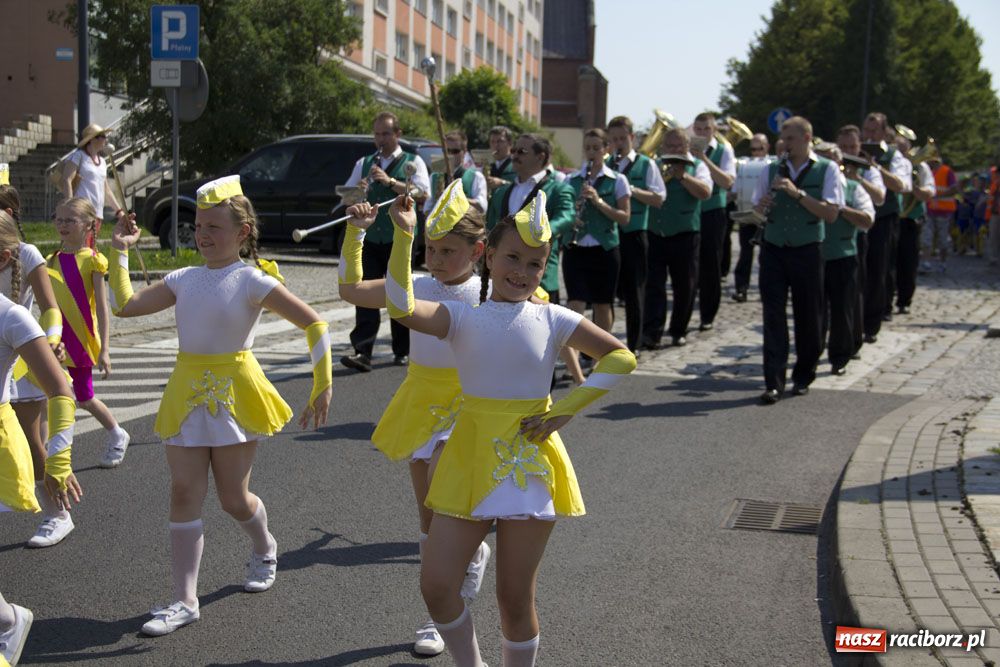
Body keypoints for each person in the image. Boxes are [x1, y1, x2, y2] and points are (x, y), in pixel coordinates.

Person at [382, 187, 635, 667]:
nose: (522, 272)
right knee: (437, 585)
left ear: (545, 270)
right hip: (469, 458)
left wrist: (568, 407)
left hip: (527, 464)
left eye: (536, 264)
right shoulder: (461, 316)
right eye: (513, 258)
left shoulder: (554, 317)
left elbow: (621, 358)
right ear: (489, 256)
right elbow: (401, 307)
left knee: (514, 599)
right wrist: (402, 236)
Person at [107, 175, 333, 636]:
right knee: (184, 492)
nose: (203, 235)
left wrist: (322, 384)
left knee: (233, 499)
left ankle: (265, 546)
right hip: (186, 391)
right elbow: (125, 306)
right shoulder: (183, 279)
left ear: (242, 232)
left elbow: (314, 324)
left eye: (214, 227)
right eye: (198, 226)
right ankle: (184, 599)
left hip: (234, 394)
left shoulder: (251, 279)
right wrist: (122, 249)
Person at [338, 180, 492, 657]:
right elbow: (348, 290)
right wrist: (356, 234)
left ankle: (438, 611)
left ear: (478, 250)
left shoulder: (489, 294)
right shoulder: (417, 285)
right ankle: (452, 582)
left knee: (443, 490)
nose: (438, 259)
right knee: (428, 517)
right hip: (422, 400)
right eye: (430, 248)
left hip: (469, 407)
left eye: (449, 250)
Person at [0, 213, 79, 666]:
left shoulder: (12, 316)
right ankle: (9, 619)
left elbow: (63, 394)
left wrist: (59, 461)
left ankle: (9, 620)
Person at [0, 183, 71, 547]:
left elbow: (51, 308)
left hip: (24, 353)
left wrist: (53, 342)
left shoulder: (27, 254)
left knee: (31, 442)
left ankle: (58, 513)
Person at [753, 116, 842, 404]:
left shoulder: (827, 170)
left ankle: (803, 375)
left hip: (807, 250)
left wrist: (798, 193)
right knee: (773, 315)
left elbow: (830, 214)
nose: (784, 144)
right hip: (774, 248)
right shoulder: (770, 170)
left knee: (809, 315)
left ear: (806, 138)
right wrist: (762, 207)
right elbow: (755, 210)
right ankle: (773, 382)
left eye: (790, 139)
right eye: (783, 139)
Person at [340, 112, 430, 373]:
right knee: (364, 290)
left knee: (399, 289)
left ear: (397, 134)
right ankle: (362, 350)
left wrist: (390, 182)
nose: (381, 139)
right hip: (371, 236)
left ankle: (402, 349)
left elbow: (422, 192)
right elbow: (346, 195)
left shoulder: (413, 162)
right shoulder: (364, 162)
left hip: (398, 236)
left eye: (386, 134)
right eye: (377, 134)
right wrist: (359, 190)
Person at [46, 197, 130, 466]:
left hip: (82, 340)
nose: (62, 224)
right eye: (59, 219)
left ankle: (118, 434)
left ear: (89, 225)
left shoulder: (93, 261)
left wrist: (105, 349)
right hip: (56, 339)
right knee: (54, 394)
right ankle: (52, 452)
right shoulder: (52, 260)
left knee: (84, 398)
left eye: (70, 220)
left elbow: (103, 309)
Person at [564, 129, 631, 365]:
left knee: (603, 303)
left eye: (596, 148)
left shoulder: (617, 180)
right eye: (588, 148)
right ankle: (573, 356)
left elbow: (624, 217)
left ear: (606, 149)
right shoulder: (571, 179)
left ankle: (598, 354)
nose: (592, 152)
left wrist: (598, 201)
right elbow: (564, 211)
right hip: (576, 247)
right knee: (575, 303)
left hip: (605, 249)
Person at [642, 128, 712, 349]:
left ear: (686, 147)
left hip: (685, 234)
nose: (673, 151)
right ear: (663, 147)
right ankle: (652, 332)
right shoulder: (653, 165)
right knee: (654, 285)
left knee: (685, 285)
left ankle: (678, 330)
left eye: (678, 147)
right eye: (669, 147)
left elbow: (705, 192)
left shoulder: (697, 166)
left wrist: (682, 175)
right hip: (656, 232)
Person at [486, 134, 576, 305]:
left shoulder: (558, 189)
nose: (515, 155)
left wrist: (537, 233)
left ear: (540, 156)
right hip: (501, 276)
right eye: (513, 150)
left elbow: (567, 216)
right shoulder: (502, 191)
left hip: (538, 277)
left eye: (522, 151)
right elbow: (490, 227)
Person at [606, 116, 666, 355]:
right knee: (607, 292)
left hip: (635, 233)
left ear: (631, 138)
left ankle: (634, 342)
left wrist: (632, 190)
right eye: (613, 140)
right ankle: (603, 343)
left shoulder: (645, 164)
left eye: (622, 138)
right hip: (609, 234)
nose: (618, 143)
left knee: (635, 291)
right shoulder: (605, 165)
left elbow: (659, 198)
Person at [815, 146, 874, 376]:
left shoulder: (853, 188)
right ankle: (812, 353)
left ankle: (839, 357)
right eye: (823, 161)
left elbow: (867, 219)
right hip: (814, 256)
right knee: (814, 311)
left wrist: (841, 208)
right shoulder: (810, 187)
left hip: (843, 255)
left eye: (831, 161)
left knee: (842, 310)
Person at [837, 125, 886, 357]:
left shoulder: (869, 169)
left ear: (859, 147)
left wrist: (857, 178)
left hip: (861, 234)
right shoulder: (831, 167)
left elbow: (880, 197)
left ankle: (855, 337)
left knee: (858, 287)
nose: (848, 151)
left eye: (852, 147)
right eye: (844, 147)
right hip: (834, 235)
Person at [861, 113, 911, 342]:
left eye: (874, 131)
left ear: (883, 133)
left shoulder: (894, 155)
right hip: (857, 216)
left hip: (883, 218)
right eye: (867, 130)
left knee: (878, 270)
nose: (869, 135)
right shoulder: (855, 149)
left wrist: (876, 168)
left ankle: (871, 323)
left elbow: (900, 185)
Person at [691, 113, 737, 332]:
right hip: (691, 212)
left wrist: (704, 159)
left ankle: (708, 314)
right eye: (697, 129)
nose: (701, 133)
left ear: (713, 130)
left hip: (713, 211)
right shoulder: (687, 148)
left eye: (705, 130)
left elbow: (727, 182)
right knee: (691, 264)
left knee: (711, 264)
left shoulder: (723, 150)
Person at [59, 123, 128, 234]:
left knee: (91, 249)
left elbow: (107, 190)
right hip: (81, 213)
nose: (106, 139)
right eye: (103, 136)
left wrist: (119, 212)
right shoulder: (79, 156)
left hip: (97, 214)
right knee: (80, 249)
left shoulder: (103, 162)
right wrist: (70, 208)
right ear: (92, 139)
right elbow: (67, 179)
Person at [895, 136, 935, 314]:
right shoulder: (891, 163)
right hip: (892, 217)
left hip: (911, 219)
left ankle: (904, 300)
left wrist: (916, 189)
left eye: (904, 149)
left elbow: (930, 189)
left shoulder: (920, 167)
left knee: (908, 262)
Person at [731, 134, 774, 302]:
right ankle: (741, 289)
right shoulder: (744, 165)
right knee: (745, 254)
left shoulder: (773, 166)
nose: (756, 152)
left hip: (766, 217)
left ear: (767, 147)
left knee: (767, 256)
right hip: (748, 216)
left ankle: (767, 289)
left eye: (760, 148)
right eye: (753, 149)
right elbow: (736, 191)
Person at [425, 131, 487, 216]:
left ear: (464, 151)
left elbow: (482, 207)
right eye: (447, 151)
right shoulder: (434, 176)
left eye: (455, 151)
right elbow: (427, 208)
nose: (450, 155)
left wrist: (455, 197)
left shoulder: (476, 177)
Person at [924, 153, 958, 272]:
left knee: (943, 240)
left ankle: (943, 262)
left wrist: (937, 195)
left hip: (944, 211)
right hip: (930, 210)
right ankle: (926, 262)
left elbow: (954, 189)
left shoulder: (947, 171)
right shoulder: (928, 171)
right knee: (926, 237)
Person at [485, 126, 517, 193]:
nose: (496, 145)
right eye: (492, 142)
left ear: (510, 143)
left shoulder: (517, 164)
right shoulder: (487, 165)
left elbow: (524, 188)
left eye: (500, 141)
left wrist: (502, 183)